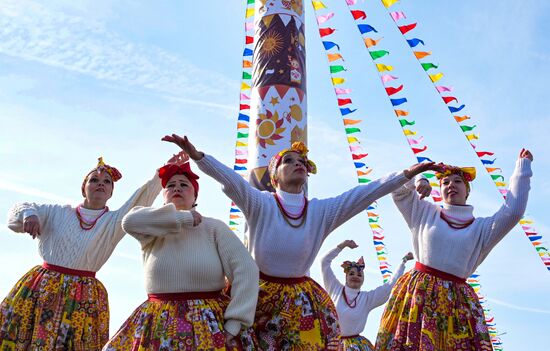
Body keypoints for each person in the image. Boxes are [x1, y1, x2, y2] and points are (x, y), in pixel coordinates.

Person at [162, 134, 439, 350]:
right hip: (256, 297)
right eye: (289, 160)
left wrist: (405, 175)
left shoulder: (321, 211)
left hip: (300, 300)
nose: (298, 164)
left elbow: (364, 194)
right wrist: (197, 156)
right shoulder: (260, 202)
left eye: (302, 162)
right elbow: (231, 181)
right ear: (274, 176)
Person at [375, 149, 533, 351]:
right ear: (439, 189)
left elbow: (513, 211)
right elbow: (397, 190)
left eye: (457, 181)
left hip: (457, 305)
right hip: (417, 297)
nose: (451, 185)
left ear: (467, 190)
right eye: (445, 182)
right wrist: (418, 178)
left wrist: (522, 167)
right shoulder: (424, 211)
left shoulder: (482, 229)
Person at [1, 157, 162, 351]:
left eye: (106, 182)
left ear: (111, 192)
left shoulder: (114, 222)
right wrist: (29, 215)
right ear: (84, 187)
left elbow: (140, 200)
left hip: (83, 295)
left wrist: (161, 174)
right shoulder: (57, 212)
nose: (100, 184)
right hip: (42, 290)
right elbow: (19, 210)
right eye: (94, 180)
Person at [103, 153, 259, 351]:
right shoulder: (152, 228)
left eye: (184, 185)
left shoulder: (214, 228)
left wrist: (235, 322)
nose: (176, 187)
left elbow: (246, 270)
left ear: (195, 196)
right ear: (163, 195)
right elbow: (128, 221)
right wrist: (183, 218)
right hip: (159, 323)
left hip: (208, 325)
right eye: (170, 185)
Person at [321, 240, 413, 351]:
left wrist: (403, 262)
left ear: (363, 279)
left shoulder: (367, 298)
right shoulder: (335, 288)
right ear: (346, 277)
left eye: (359, 275)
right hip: (333, 344)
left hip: (356, 347)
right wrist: (342, 245)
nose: (355, 276)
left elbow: (389, 286)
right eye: (351, 273)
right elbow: (324, 262)